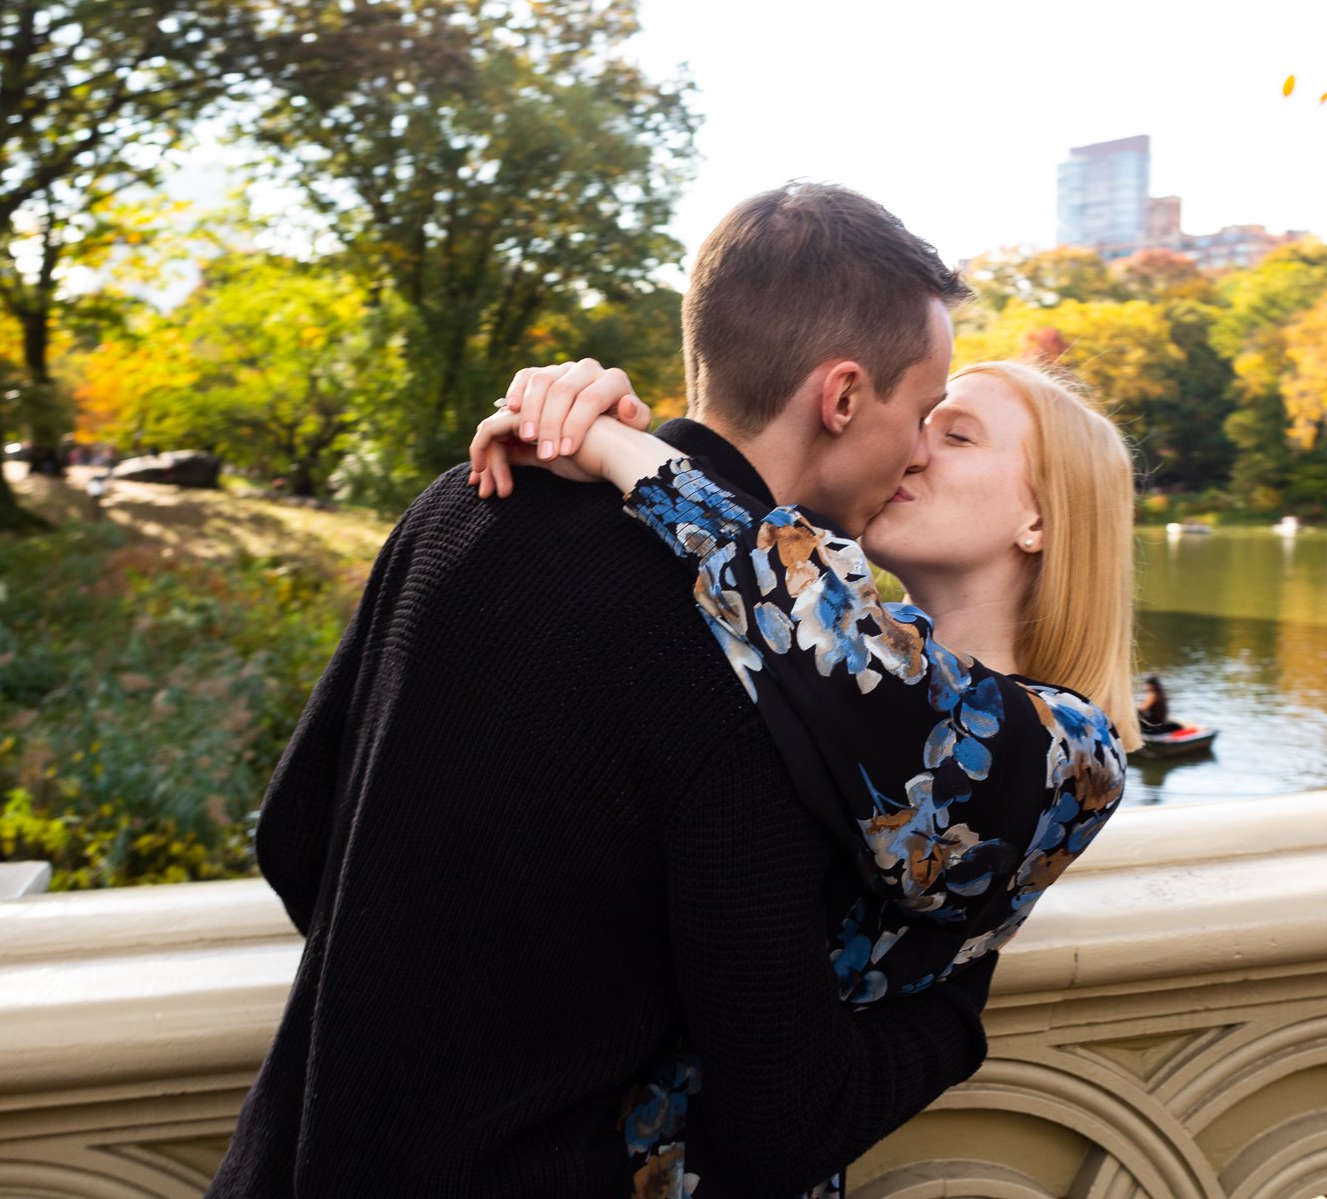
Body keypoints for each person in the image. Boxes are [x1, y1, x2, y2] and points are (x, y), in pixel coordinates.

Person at [208, 184, 995, 1199]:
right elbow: (783, 1115)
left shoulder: (464, 501)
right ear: (842, 397)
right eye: (922, 411)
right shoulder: (763, 662)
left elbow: (294, 838)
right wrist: (955, 1005)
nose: (922, 449)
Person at [468, 356, 1140, 1195]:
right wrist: (583, 432)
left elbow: (836, 639)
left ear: (1040, 521)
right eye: (922, 421)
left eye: (957, 434)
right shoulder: (788, 653)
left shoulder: (1077, 752)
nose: (915, 450)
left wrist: (621, 451)